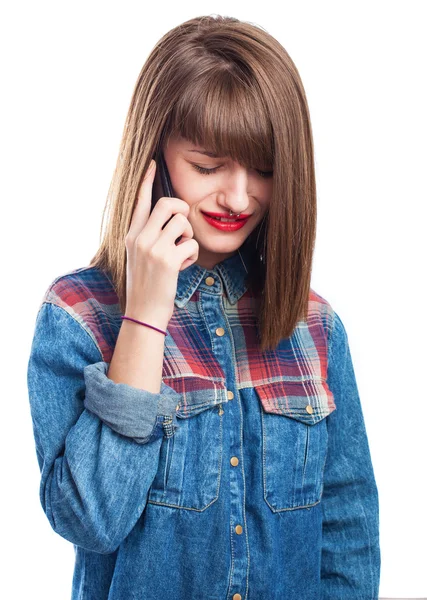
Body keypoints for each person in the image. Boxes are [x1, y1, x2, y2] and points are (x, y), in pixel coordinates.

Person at [26, 14, 380, 600]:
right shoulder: (77, 315)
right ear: (156, 155)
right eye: (209, 165)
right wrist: (144, 318)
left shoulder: (313, 326)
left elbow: (348, 535)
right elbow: (92, 520)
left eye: (263, 169)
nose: (239, 197)